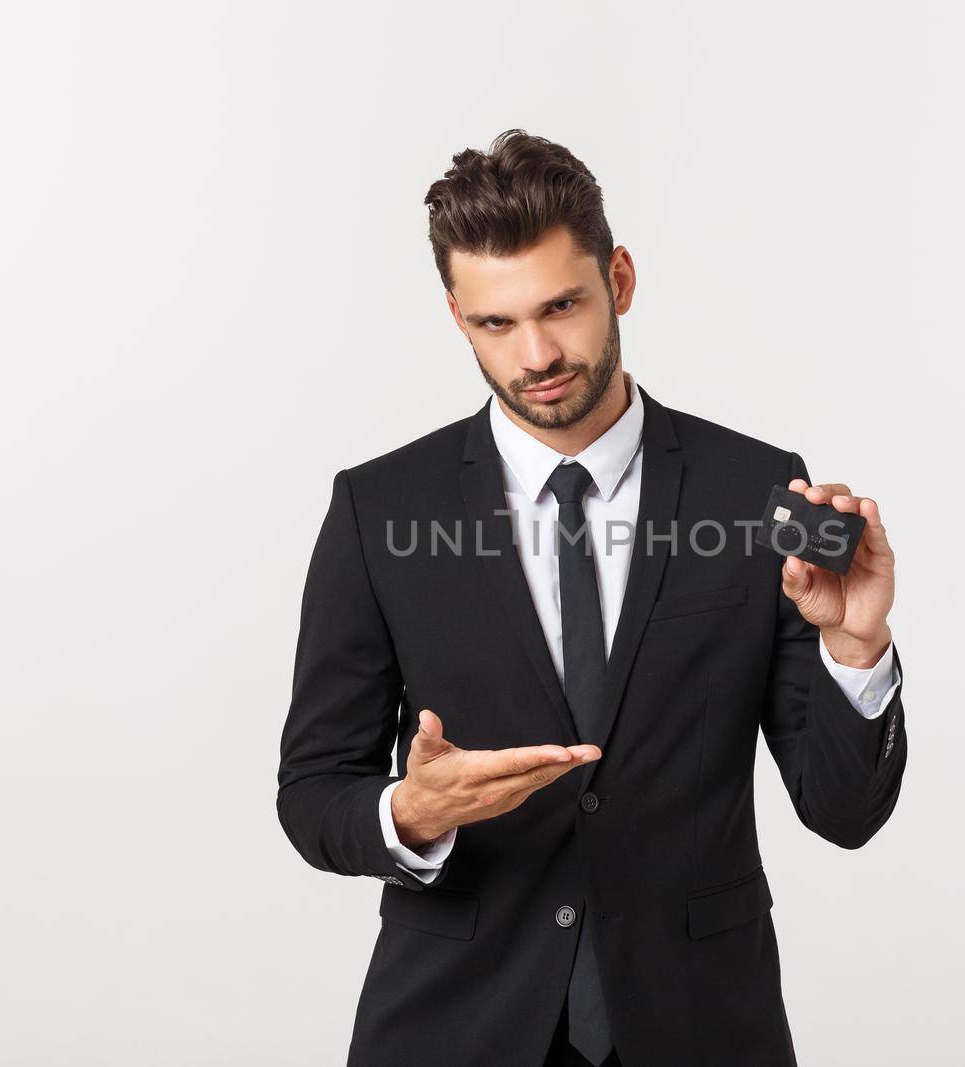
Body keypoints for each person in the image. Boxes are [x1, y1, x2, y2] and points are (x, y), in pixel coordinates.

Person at [276, 128, 908, 1067]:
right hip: (455, 1027)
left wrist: (856, 651)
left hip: (699, 1027)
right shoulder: (379, 509)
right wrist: (411, 812)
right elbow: (313, 790)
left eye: (561, 306)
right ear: (458, 318)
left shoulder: (754, 493)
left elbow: (844, 813)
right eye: (496, 324)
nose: (536, 354)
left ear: (619, 279)